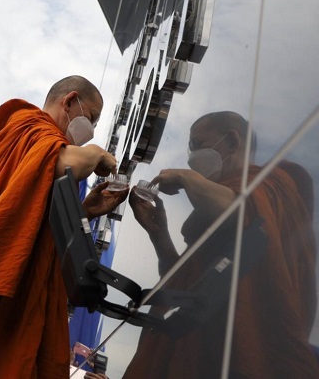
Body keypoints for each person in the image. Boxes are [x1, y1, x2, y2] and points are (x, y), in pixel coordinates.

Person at [0, 76, 126, 378]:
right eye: (91, 117)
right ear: (69, 101)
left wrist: (86, 211)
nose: (91, 128)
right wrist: (96, 153)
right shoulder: (26, 126)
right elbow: (65, 162)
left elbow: (33, 228)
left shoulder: (47, 149)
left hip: (17, 305)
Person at [124, 111, 318, 378]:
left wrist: (188, 179)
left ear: (233, 141)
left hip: (238, 356)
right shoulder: (212, 207)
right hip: (194, 348)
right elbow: (184, 284)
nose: (192, 157)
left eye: (198, 144)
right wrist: (159, 234)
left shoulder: (275, 184)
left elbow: (242, 214)